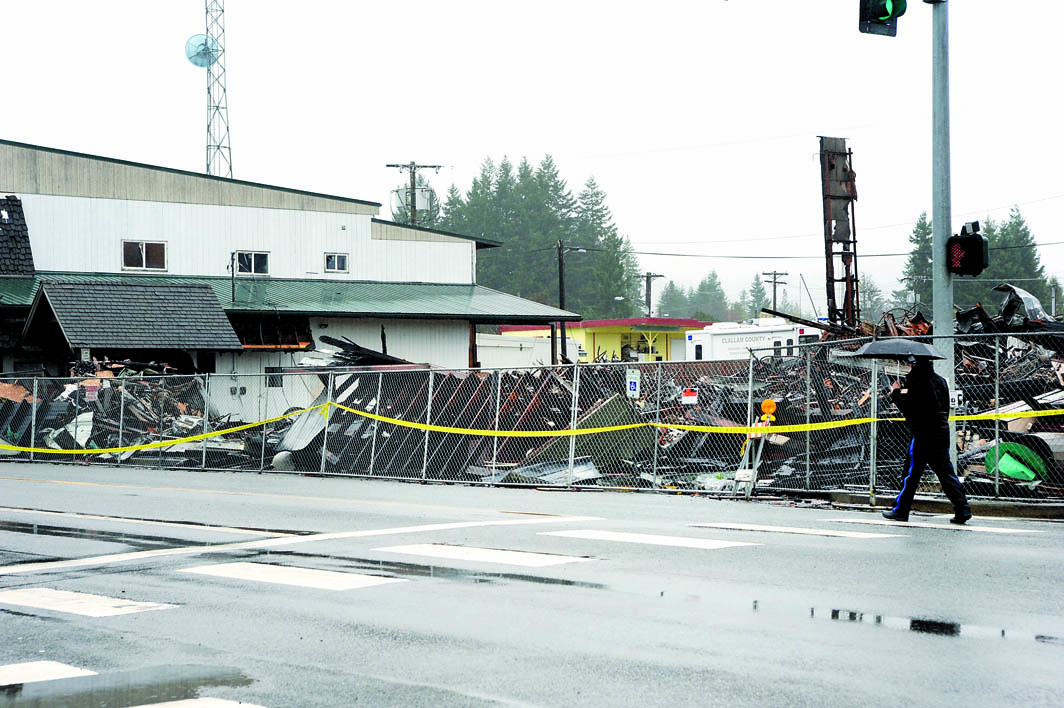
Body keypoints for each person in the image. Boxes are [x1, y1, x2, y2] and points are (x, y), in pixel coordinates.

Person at [882, 355, 972, 524]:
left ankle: (901, 510)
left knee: (911, 475)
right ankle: (962, 508)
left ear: (916, 364)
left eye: (911, 363)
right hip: (941, 432)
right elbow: (944, 407)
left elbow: (908, 407)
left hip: (922, 434)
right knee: (946, 473)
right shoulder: (940, 381)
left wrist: (895, 391)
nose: (909, 365)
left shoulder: (916, 381)